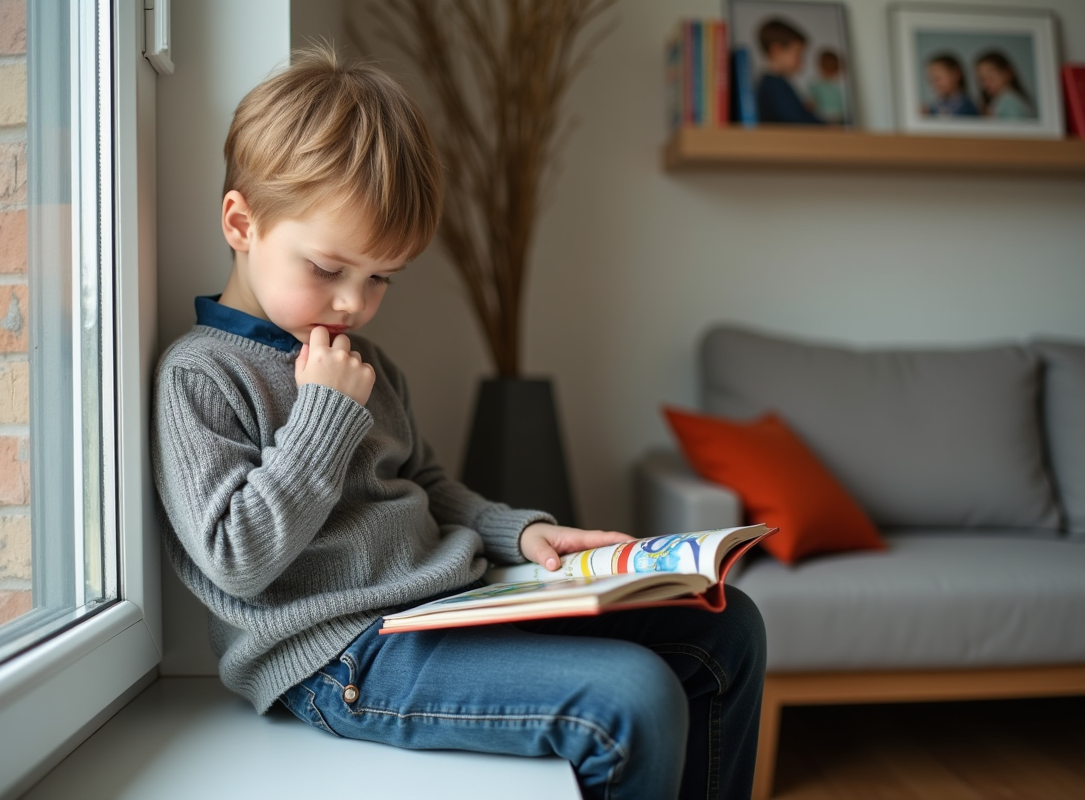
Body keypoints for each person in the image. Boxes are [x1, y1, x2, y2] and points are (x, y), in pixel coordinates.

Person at [151, 45, 766, 800]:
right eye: (328, 268)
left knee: (727, 627)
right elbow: (235, 558)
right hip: (338, 656)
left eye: (380, 278)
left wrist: (520, 533)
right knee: (631, 702)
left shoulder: (361, 361)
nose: (353, 303)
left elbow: (428, 485)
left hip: (441, 608)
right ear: (241, 224)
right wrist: (323, 413)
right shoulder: (200, 373)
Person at [754, 17, 824, 125]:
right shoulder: (775, 86)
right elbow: (799, 121)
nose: (801, 61)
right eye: (798, 55)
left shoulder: (775, 84)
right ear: (776, 50)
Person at [975, 50, 1034, 119]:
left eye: (991, 76)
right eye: (982, 79)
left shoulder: (1010, 102)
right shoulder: (998, 101)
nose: (986, 83)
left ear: (1007, 73)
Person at [806, 48, 847, 124]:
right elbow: (811, 103)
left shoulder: (840, 85)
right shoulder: (815, 84)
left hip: (837, 117)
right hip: (823, 118)